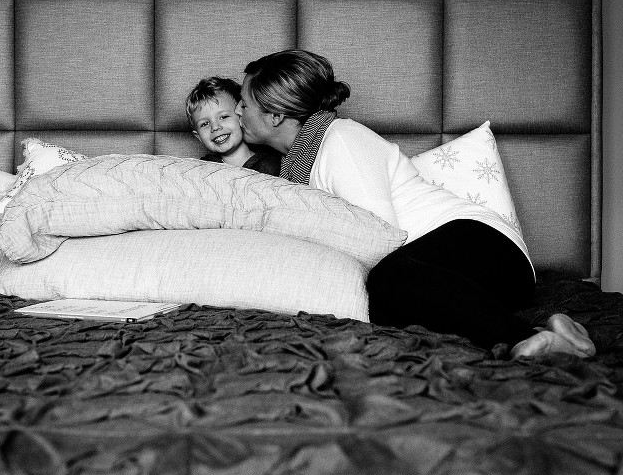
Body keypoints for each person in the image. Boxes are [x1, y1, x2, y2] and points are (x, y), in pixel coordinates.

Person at [235, 49, 595, 359]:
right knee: (381, 309)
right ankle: (546, 330)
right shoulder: (296, 167)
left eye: (244, 103)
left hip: (489, 248)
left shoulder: (340, 139)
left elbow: (378, 236)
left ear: (275, 115)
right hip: (457, 276)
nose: (237, 111)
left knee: (386, 279)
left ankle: (530, 338)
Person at [186, 76, 281, 176]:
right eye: (205, 124)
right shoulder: (200, 169)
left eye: (223, 117)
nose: (215, 127)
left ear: (241, 116)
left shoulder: (271, 165)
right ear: (198, 136)